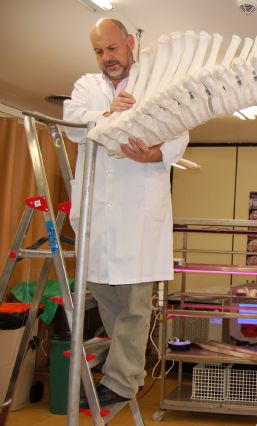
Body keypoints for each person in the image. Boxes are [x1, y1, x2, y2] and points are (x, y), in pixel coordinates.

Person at [63, 18, 189, 407]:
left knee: (134, 305)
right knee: (107, 300)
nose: (107, 58)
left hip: (137, 216)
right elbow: (72, 124)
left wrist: (155, 154)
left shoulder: (157, 84)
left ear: (130, 42)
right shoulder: (87, 87)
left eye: (112, 48)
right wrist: (106, 114)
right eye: (99, 51)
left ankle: (121, 380)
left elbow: (181, 131)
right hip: (97, 215)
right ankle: (122, 371)